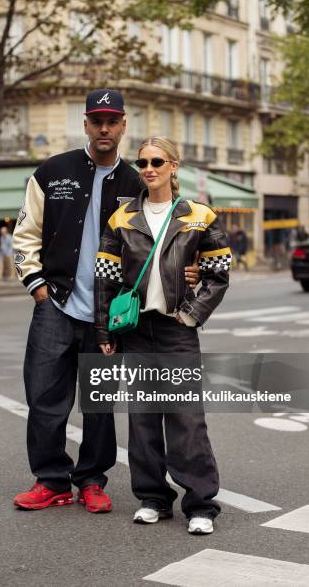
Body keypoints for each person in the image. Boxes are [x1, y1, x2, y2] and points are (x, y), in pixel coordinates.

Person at [12, 89, 201, 513]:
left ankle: (92, 481)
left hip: (108, 315)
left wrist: (189, 271)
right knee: (44, 398)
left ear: (123, 126)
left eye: (111, 120)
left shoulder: (138, 181)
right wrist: (38, 287)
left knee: (98, 403)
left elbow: (166, 234)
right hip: (56, 304)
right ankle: (50, 480)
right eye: (96, 120)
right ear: (85, 124)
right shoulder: (52, 172)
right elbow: (24, 235)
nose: (104, 127)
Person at [95, 136, 231, 534]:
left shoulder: (199, 216)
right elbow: (105, 277)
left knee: (187, 420)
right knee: (143, 421)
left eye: (157, 161)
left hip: (176, 331)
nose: (148, 168)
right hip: (136, 330)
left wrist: (192, 314)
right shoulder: (122, 217)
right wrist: (104, 328)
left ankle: (201, 504)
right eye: (142, 162)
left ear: (174, 166)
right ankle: (153, 498)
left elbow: (219, 273)